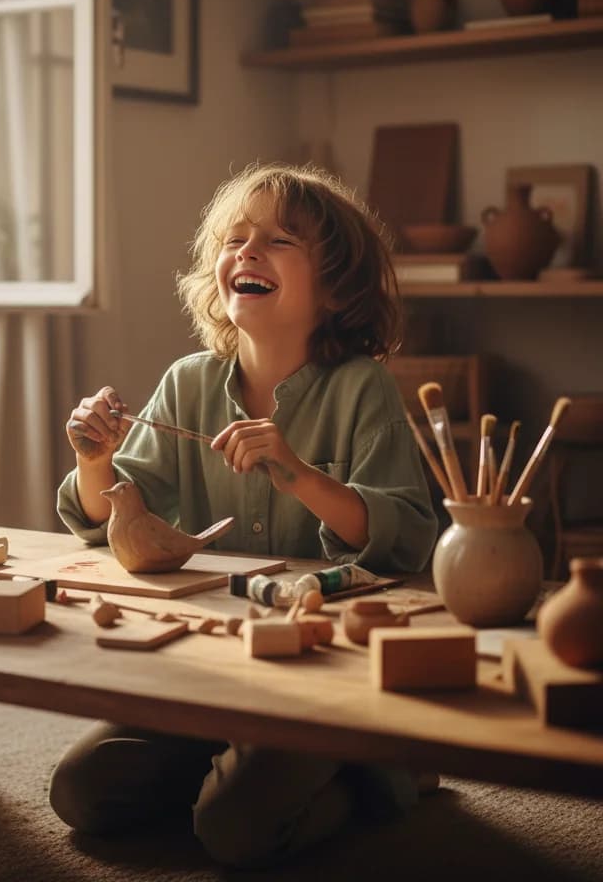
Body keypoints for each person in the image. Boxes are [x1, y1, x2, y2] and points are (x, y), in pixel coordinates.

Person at [50, 162, 439, 868]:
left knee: (233, 832)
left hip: (323, 675)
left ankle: (380, 772)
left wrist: (300, 477)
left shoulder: (362, 387)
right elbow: (112, 516)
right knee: (82, 794)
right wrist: (95, 460)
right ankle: (235, 758)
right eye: (235, 239)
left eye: (281, 240)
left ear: (336, 287)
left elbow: (409, 539)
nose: (248, 252)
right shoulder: (187, 380)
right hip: (211, 669)